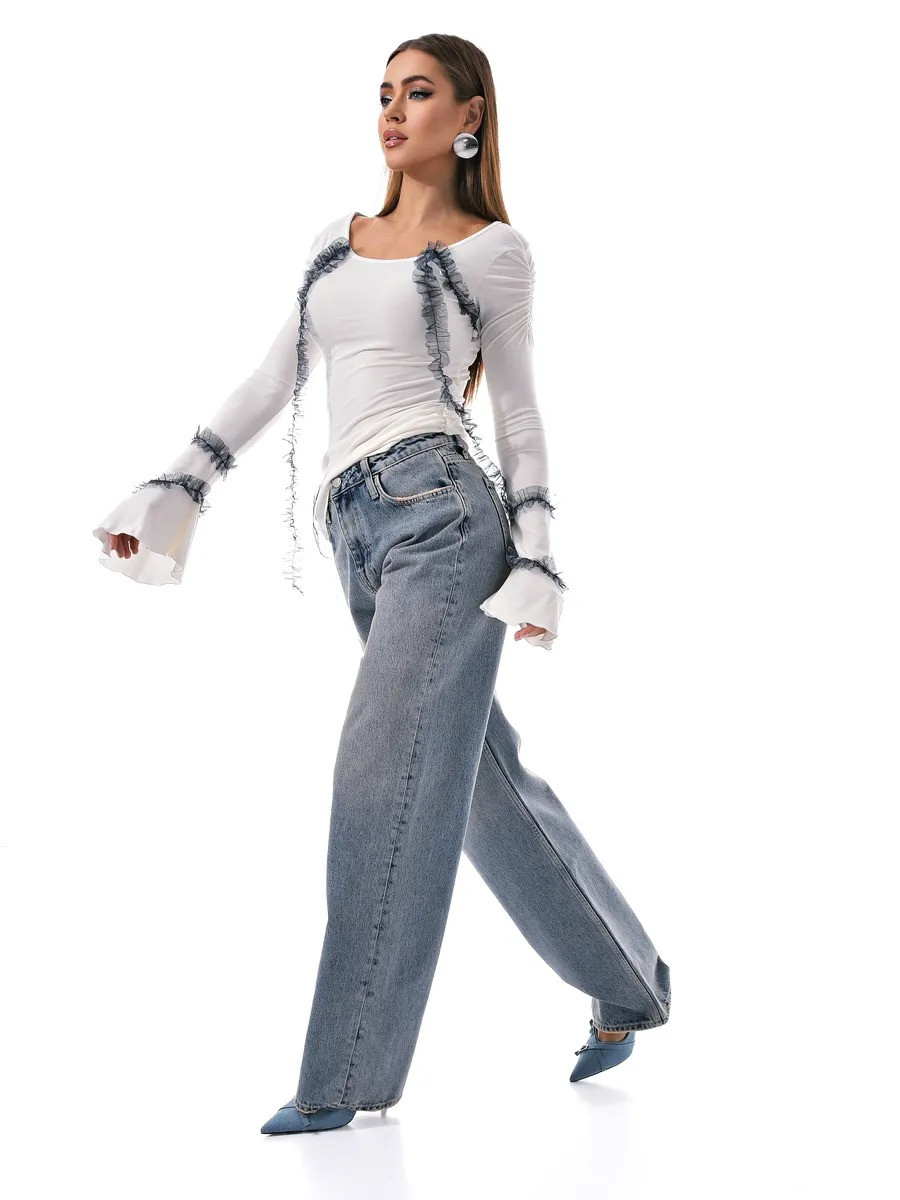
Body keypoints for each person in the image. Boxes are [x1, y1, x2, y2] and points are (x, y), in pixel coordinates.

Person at [93, 34, 671, 1135]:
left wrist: (539, 557)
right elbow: (275, 373)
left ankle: (345, 1074)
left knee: (380, 777)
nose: (393, 112)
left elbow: (519, 412)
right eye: (384, 94)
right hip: (356, 531)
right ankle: (630, 983)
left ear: (470, 116)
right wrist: (174, 487)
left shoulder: (494, 253)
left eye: (419, 93)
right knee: (477, 787)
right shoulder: (336, 240)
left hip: (444, 519)